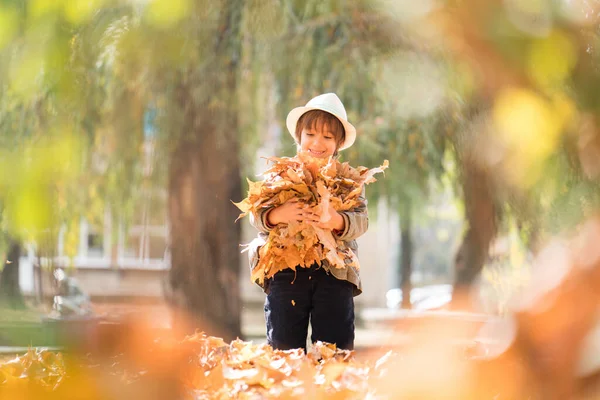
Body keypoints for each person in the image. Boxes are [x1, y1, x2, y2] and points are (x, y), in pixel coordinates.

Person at [248, 93, 368, 351]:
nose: (318, 143)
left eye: (327, 137)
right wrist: (277, 215)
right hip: (285, 271)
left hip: (334, 273)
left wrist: (336, 220)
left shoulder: (348, 181)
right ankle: (287, 389)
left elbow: (361, 221)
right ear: (299, 137)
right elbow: (255, 213)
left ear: (338, 143)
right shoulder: (280, 174)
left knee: (334, 347)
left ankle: (331, 389)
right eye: (311, 134)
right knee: (283, 344)